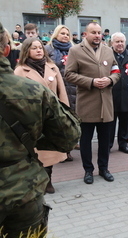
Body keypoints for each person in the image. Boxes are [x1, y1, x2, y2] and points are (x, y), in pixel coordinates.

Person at [0, 21, 80, 238]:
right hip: (21, 192)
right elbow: (69, 136)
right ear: (7, 49)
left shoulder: (50, 68)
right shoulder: (28, 87)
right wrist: (34, 137)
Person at [65, 22, 120, 184]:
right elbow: (69, 74)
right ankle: (88, 170)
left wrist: (110, 80)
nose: (97, 35)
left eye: (99, 32)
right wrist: (91, 81)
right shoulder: (75, 51)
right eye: (94, 32)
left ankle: (104, 168)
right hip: (87, 103)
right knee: (86, 141)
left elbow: (116, 70)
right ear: (85, 35)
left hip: (105, 104)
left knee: (105, 141)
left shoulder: (108, 50)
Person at [14, 37, 70, 194]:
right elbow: (16, 96)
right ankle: (36, 180)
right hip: (32, 118)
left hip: (51, 116)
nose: (39, 50)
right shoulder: (20, 70)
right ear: (27, 51)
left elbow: (62, 91)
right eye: (34, 48)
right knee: (35, 152)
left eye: (40, 47)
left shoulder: (52, 67)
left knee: (49, 151)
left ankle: (48, 180)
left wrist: (65, 110)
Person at [45, 25, 76, 163]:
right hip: (56, 88)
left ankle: (69, 147)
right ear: (56, 34)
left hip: (73, 89)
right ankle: (60, 151)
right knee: (59, 121)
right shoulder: (48, 49)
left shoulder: (74, 49)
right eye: (62, 33)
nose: (65, 36)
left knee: (71, 120)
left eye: (67, 34)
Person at [109, 32, 128, 155]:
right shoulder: (107, 56)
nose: (120, 44)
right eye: (117, 42)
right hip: (111, 96)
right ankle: (108, 145)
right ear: (112, 43)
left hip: (126, 96)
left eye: (122, 41)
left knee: (125, 122)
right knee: (110, 124)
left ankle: (123, 144)